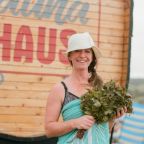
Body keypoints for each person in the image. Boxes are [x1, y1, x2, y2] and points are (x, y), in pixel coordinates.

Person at [45, 32, 127, 144]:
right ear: (69, 55)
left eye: (87, 51)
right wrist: (75, 123)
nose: (82, 55)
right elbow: (49, 130)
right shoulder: (60, 89)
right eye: (77, 50)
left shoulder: (101, 88)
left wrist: (112, 118)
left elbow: (103, 130)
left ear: (92, 56)